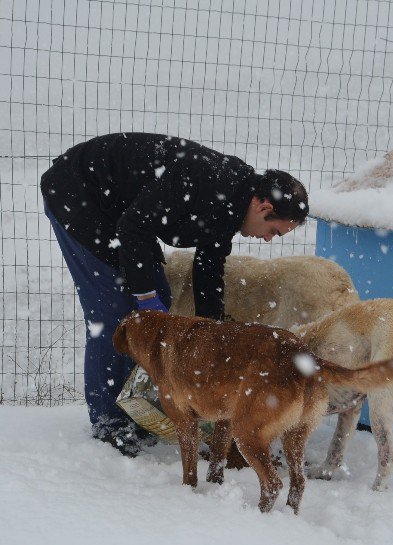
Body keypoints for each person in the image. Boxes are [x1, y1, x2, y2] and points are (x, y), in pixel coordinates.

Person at [40, 133, 309, 456]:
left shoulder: (233, 205)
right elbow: (133, 227)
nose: (268, 240)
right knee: (114, 314)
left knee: (158, 302)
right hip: (80, 191)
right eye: (274, 231)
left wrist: (212, 329)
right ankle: (108, 422)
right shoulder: (205, 182)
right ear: (263, 206)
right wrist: (144, 298)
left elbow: (209, 265)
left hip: (123, 210)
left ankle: (133, 406)